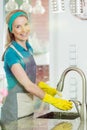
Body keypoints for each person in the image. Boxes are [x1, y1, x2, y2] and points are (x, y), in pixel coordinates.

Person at [0, 9, 73, 124]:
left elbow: (27, 78)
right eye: (18, 26)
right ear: (11, 30)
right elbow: (28, 85)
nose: (24, 30)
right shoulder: (11, 54)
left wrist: (43, 87)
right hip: (13, 113)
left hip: (27, 108)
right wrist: (52, 100)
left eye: (25, 24)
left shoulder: (28, 49)